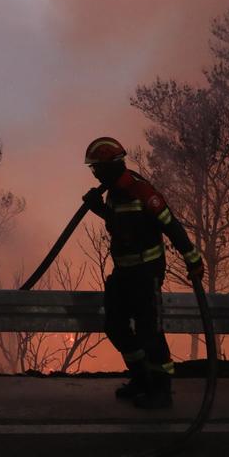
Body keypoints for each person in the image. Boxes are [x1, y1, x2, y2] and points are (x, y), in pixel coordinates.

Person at [81, 137, 204, 409]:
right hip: (123, 273)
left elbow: (171, 225)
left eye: (98, 169)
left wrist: (192, 259)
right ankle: (141, 378)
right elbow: (122, 227)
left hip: (146, 273)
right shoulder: (114, 193)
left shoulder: (141, 191)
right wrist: (100, 209)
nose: (96, 174)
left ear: (112, 167)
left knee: (150, 333)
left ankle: (161, 390)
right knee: (115, 326)